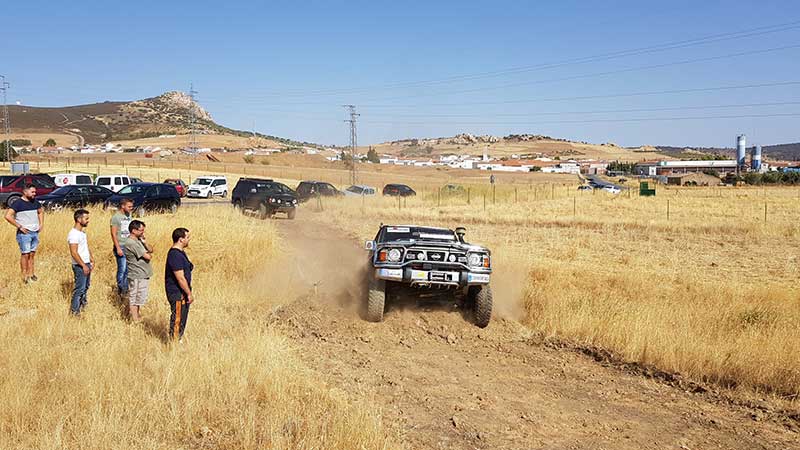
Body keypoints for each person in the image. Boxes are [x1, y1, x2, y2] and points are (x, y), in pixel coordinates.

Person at [4, 183, 44, 284]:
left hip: (35, 232)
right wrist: (20, 226)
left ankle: (31, 274)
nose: (34, 194)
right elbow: (8, 216)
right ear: (25, 192)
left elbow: (40, 211)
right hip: (24, 234)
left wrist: (41, 224)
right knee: (25, 254)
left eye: (35, 192)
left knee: (32, 254)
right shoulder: (17, 203)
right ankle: (24, 276)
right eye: (32, 192)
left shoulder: (35, 202)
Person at [165, 227, 193, 342]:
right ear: (181, 239)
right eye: (187, 237)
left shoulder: (181, 253)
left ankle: (178, 339)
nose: (189, 239)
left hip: (182, 292)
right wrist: (188, 293)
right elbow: (180, 278)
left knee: (182, 318)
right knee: (177, 319)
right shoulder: (175, 255)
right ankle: (174, 342)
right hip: (177, 293)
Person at [124, 220, 154, 322]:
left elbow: (150, 250)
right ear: (133, 230)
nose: (143, 232)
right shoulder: (131, 243)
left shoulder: (138, 240)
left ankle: (136, 316)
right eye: (141, 230)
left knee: (139, 298)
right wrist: (148, 254)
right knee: (134, 297)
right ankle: (134, 319)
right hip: (136, 274)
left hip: (142, 273)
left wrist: (145, 242)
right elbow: (148, 256)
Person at [68, 209, 94, 316]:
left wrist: (91, 258)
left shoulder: (82, 233)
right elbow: (74, 252)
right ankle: (74, 312)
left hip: (86, 263)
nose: (88, 221)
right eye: (86, 218)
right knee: (79, 289)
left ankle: (83, 306)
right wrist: (83, 265)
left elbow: (85, 247)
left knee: (86, 287)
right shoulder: (73, 234)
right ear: (79, 219)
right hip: (80, 265)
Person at [110, 199, 133, 295]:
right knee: (122, 269)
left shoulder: (129, 215)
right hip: (121, 245)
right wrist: (118, 247)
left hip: (128, 245)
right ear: (123, 206)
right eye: (129, 206)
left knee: (128, 270)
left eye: (132, 206)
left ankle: (125, 289)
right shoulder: (116, 217)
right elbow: (113, 234)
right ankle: (121, 289)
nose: (131, 208)